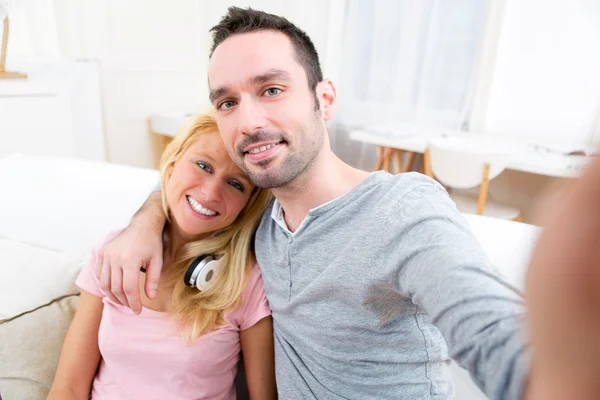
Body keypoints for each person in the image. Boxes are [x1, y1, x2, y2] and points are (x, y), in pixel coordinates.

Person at [96, 7, 600, 400]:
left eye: (271, 89)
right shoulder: (258, 219)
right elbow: (191, 185)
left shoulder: (402, 211)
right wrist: (145, 221)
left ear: (325, 99)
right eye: (227, 102)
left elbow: (491, 331)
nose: (247, 120)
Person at [48, 113, 277, 400]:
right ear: (171, 166)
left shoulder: (247, 282)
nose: (211, 191)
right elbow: (68, 389)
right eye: (203, 165)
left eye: (236, 184)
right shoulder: (113, 252)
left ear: (246, 206)